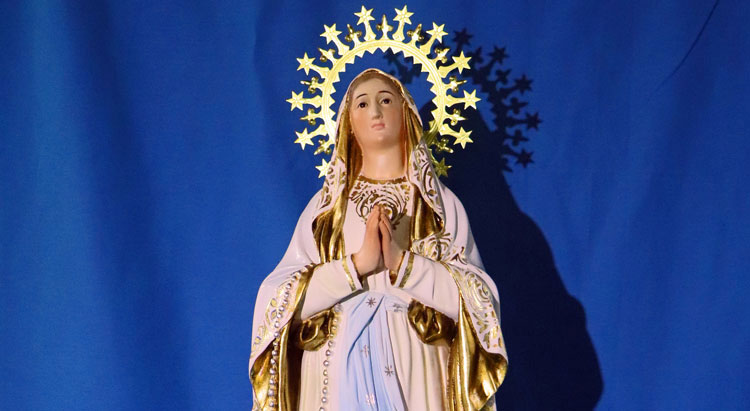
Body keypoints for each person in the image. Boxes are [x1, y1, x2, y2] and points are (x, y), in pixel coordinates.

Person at [249, 68, 507, 410]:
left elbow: (478, 300)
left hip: (415, 367)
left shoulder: (438, 206)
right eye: (362, 104)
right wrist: (355, 267)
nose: (375, 111)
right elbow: (278, 302)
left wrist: (405, 265)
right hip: (336, 366)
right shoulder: (327, 208)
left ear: (406, 114)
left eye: (385, 100)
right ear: (348, 124)